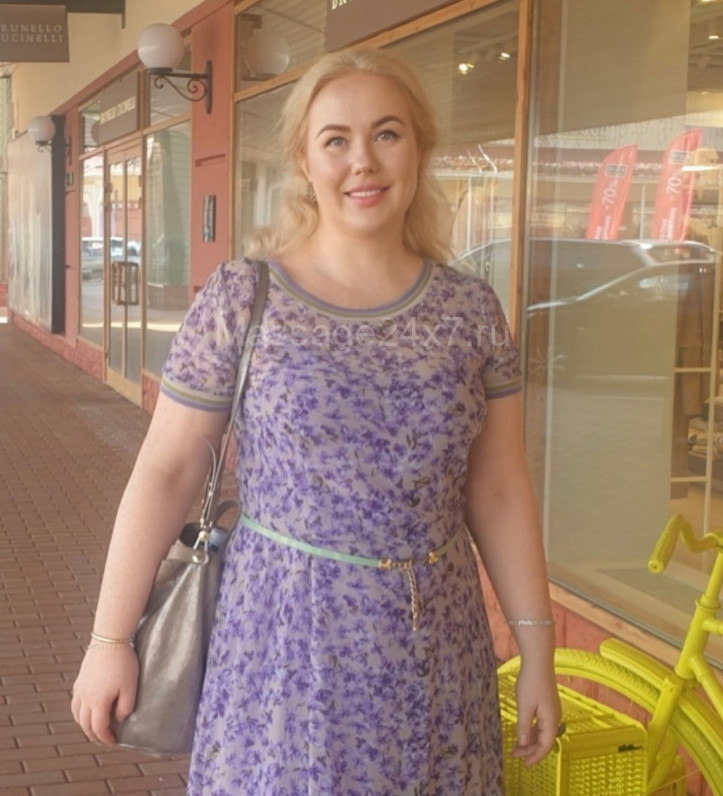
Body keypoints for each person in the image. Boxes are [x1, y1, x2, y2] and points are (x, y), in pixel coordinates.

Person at [72, 46, 561, 794]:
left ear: (419, 149)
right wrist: (110, 638)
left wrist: (536, 652)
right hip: (282, 642)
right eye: (336, 140)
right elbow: (166, 470)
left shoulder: (470, 313)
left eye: (387, 133)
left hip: (436, 644)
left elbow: (497, 489)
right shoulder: (244, 298)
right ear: (305, 161)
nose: (363, 160)